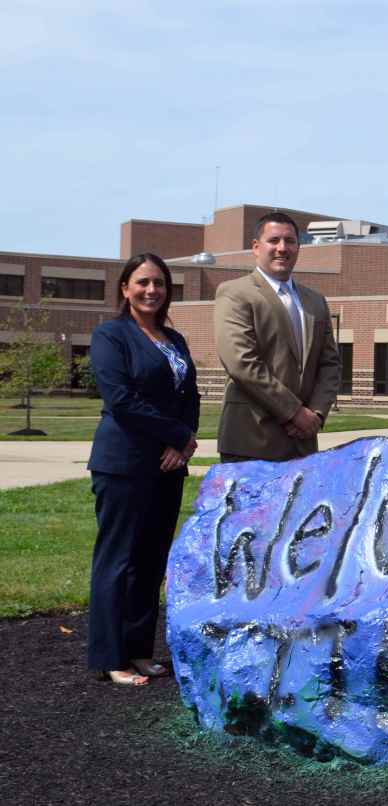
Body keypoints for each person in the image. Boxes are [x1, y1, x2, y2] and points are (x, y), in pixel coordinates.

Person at [88, 253, 200, 686]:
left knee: (151, 561)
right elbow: (121, 400)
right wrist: (175, 433)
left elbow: (188, 395)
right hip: (124, 464)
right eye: (142, 282)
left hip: (168, 466)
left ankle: (138, 650)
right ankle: (110, 656)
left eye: (159, 283)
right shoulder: (110, 336)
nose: (151, 290)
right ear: (125, 288)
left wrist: (184, 439)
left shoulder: (175, 339)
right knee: (117, 560)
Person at [214, 212, 341, 462]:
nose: (282, 248)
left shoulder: (315, 301)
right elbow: (242, 364)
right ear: (256, 247)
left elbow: (330, 364)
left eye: (290, 241)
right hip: (251, 441)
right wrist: (294, 413)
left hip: (302, 443)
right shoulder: (235, 293)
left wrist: (315, 414)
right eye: (274, 240)